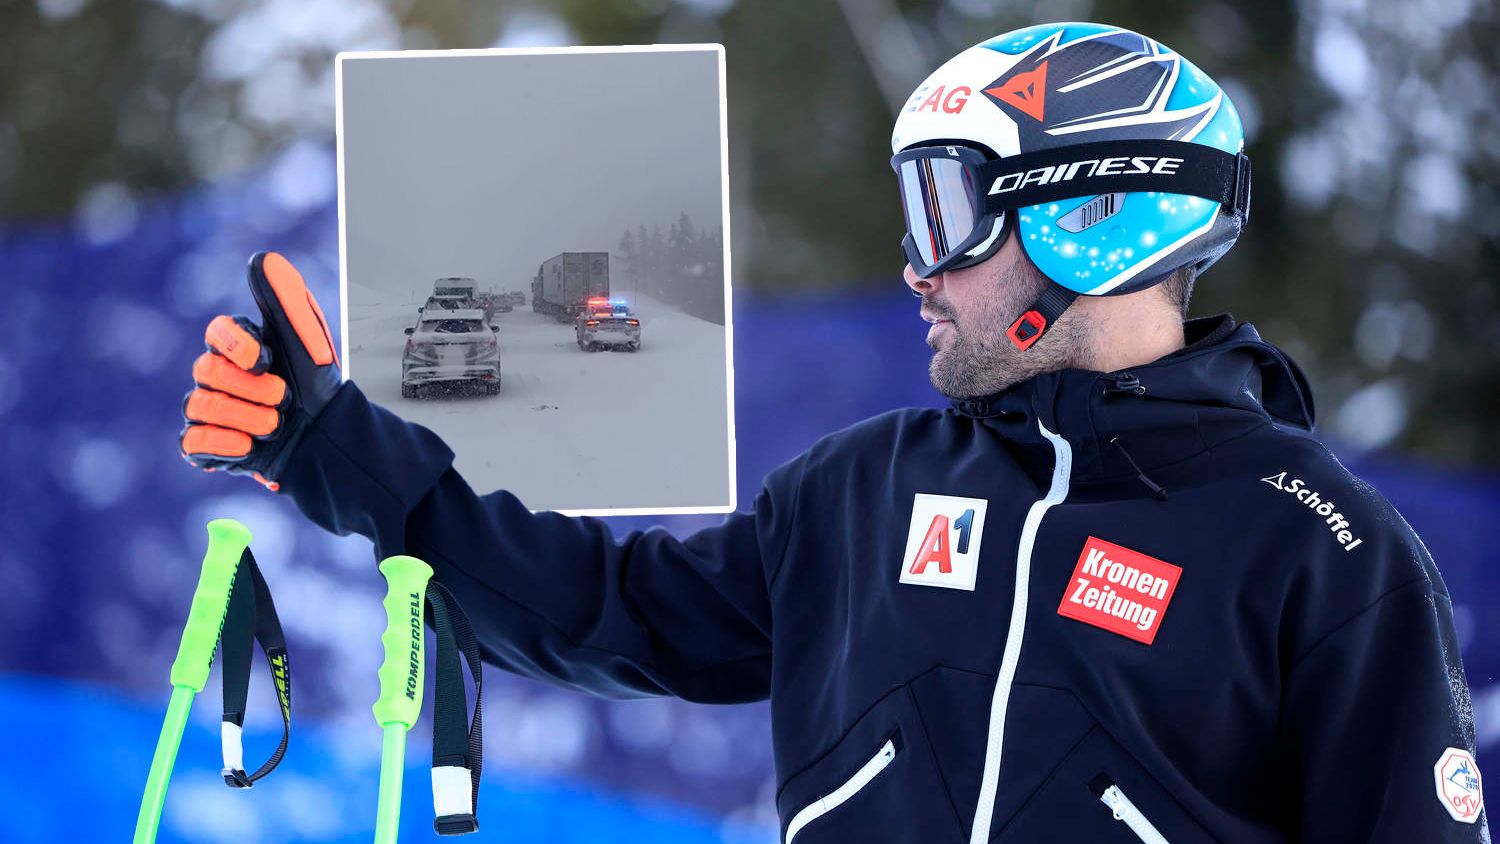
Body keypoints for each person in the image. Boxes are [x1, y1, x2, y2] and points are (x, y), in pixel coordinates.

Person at [179, 23, 1486, 844]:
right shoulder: (866, 491)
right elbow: (603, 608)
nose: (914, 271)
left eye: (944, 216)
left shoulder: (1320, 552)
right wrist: (331, 448)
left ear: (1095, 223)